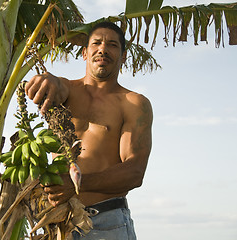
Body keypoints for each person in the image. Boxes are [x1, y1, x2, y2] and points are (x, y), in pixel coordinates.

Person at [25, 21, 153, 239]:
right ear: (85, 53)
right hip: (59, 222)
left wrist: (77, 184)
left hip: (107, 223)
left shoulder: (133, 103)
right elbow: (56, 84)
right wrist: (47, 80)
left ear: (122, 57)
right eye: (96, 43)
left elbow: (135, 171)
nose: (103, 49)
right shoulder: (66, 92)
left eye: (112, 45)